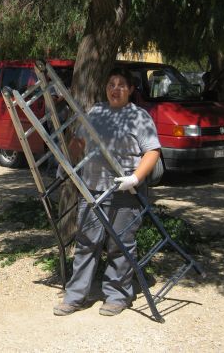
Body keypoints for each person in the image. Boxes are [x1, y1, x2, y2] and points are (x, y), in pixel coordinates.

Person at [53, 67, 161, 317]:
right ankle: (75, 296)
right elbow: (79, 142)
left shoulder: (139, 117)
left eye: (121, 85)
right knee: (87, 244)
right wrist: (66, 165)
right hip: (91, 190)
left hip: (125, 193)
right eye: (111, 84)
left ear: (131, 90)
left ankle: (117, 296)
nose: (115, 89)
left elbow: (152, 151)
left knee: (120, 246)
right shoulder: (96, 111)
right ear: (105, 88)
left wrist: (135, 178)